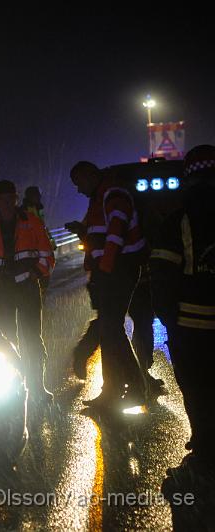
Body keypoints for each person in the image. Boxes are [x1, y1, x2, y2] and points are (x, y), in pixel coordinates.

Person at [152, 146, 215, 510]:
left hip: (191, 327)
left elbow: (162, 274)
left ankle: (205, 457)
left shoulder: (178, 221)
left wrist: (167, 316)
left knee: (199, 390)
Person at [70, 161, 147, 410]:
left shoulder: (112, 192)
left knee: (109, 328)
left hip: (118, 269)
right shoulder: (100, 196)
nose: (79, 190)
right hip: (112, 270)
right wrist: (83, 232)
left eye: (79, 183)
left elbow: (116, 231)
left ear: (91, 175)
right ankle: (126, 388)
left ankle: (123, 389)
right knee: (111, 330)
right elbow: (101, 235)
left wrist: (104, 268)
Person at [0, 180, 56, 404]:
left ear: (16, 199)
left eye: (10, 198)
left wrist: (34, 275)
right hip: (2, 292)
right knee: (5, 339)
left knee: (32, 338)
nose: (7, 203)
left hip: (27, 289)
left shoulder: (32, 222)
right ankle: (12, 388)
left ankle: (38, 388)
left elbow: (47, 255)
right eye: (2, 199)